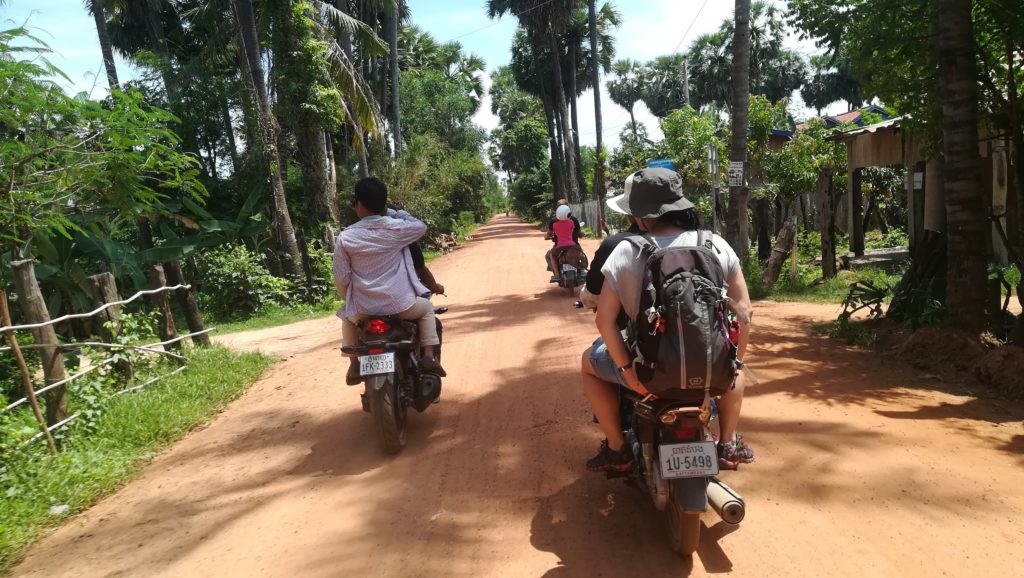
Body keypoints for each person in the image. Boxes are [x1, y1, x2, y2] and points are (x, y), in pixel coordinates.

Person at [579, 167, 754, 472]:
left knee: (588, 364)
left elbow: (604, 320)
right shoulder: (715, 243)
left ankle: (618, 450)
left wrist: (627, 372)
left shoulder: (626, 251)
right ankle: (727, 443)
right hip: (710, 372)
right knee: (736, 373)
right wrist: (734, 362)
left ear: (640, 216)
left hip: (648, 371)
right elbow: (744, 313)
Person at [333, 177, 446, 386]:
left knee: (347, 318)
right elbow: (420, 227)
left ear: (357, 204)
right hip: (400, 305)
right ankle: (429, 356)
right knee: (427, 309)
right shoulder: (397, 229)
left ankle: (353, 363)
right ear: (383, 204)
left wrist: (348, 298)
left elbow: (341, 278)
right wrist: (397, 213)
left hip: (364, 308)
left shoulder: (346, 237)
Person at [579, 175, 642, 311]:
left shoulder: (615, 244)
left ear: (628, 212)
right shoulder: (696, 240)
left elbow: (592, 291)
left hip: (627, 328)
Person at [545, 205, 584, 282]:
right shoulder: (571, 222)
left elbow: (550, 233)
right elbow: (577, 232)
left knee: (552, 256)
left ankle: (556, 275)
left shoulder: (554, 224)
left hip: (559, 247)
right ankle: (582, 270)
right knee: (581, 253)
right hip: (572, 245)